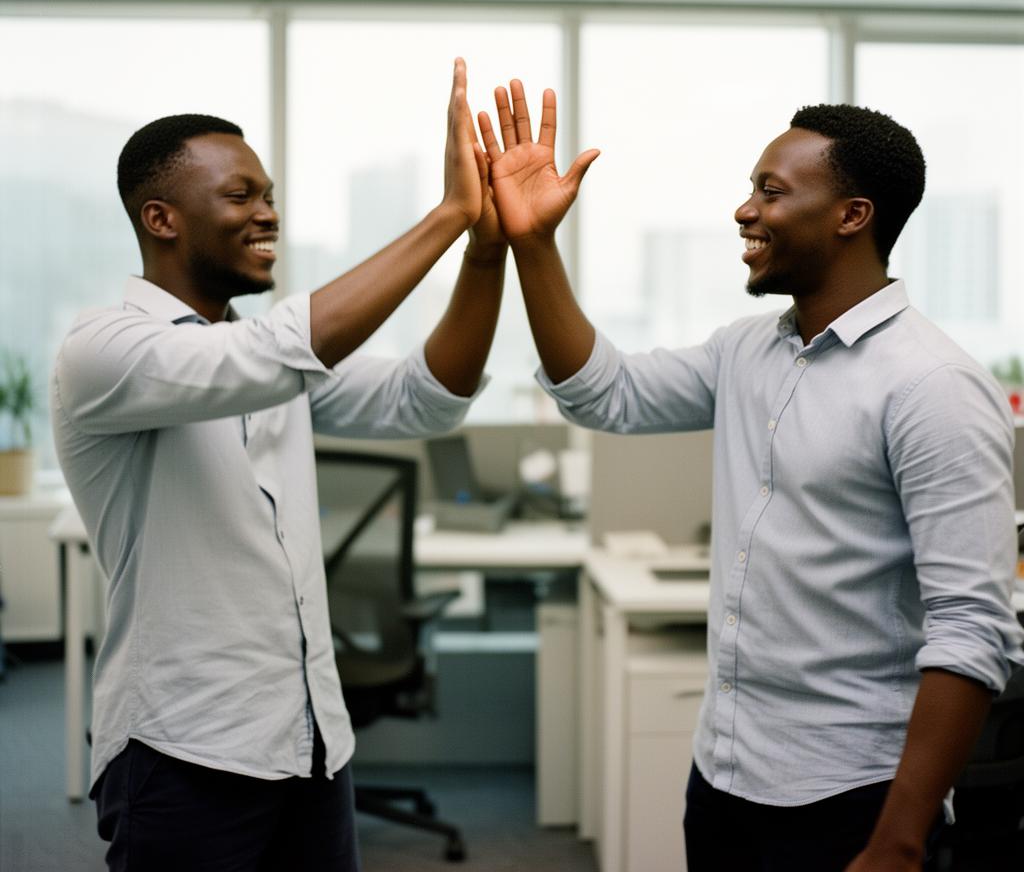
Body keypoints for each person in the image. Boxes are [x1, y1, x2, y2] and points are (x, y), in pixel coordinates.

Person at [477, 81, 1024, 872]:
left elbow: (972, 630)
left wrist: (899, 843)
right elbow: (605, 392)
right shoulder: (746, 351)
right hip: (727, 777)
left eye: (771, 191)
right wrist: (533, 244)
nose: (744, 211)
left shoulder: (931, 385)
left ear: (852, 215)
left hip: (856, 799)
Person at [51, 59, 507, 872]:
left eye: (269, 196)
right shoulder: (104, 352)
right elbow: (273, 351)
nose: (268, 214)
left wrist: (485, 250)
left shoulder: (272, 367)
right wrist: (447, 215)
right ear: (162, 218)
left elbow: (428, 396)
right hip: (183, 748)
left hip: (310, 743)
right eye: (241, 197)